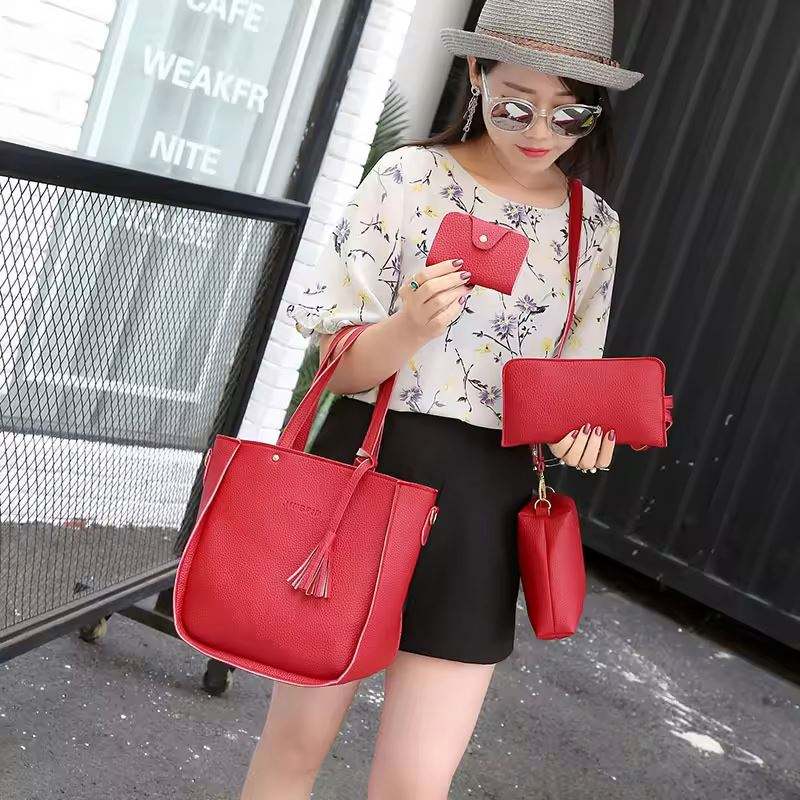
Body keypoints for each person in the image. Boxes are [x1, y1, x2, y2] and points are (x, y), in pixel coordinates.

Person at [240, 1, 643, 797]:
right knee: (295, 748)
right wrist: (409, 327)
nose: (543, 131)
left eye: (571, 113)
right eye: (516, 105)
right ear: (476, 74)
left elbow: (565, 393)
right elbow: (337, 369)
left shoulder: (592, 225)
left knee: (415, 784)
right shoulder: (408, 179)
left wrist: (581, 436)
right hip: (367, 469)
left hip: (488, 504)